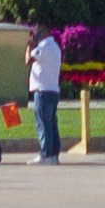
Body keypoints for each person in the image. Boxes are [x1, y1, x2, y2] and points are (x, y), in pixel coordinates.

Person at [27, 27, 65, 163]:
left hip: (43, 91)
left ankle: (46, 155)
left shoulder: (43, 46)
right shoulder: (55, 46)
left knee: (43, 124)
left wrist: (29, 45)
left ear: (42, 34)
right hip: (53, 90)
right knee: (51, 124)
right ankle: (53, 155)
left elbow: (28, 60)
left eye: (34, 34)